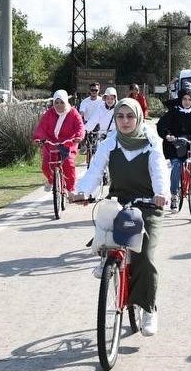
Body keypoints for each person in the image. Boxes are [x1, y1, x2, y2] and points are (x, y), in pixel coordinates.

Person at [71, 99, 170, 336]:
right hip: (120, 201)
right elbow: (95, 170)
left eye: (130, 116)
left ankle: (148, 308)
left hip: (148, 204)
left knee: (144, 255)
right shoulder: (110, 142)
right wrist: (84, 191)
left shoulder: (151, 142)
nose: (125, 121)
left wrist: (161, 194)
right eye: (120, 116)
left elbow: (159, 170)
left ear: (139, 118)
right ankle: (107, 259)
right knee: (105, 223)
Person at [156, 89, 191, 210]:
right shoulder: (173, 111)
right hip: (175, 144)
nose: (187, 102)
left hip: (190, 143)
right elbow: (162, 125)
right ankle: (174, 196)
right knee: (176, 165)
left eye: (189, 99)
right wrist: (167, 135)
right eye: (184, 99)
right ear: (180, 99)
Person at [33, 90, 85, 194]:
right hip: (51, 143)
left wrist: (78, 137)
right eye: (56, 102)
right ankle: (52, 180)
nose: (59, 105)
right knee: (46, 166)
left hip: (68, 142)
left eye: (62, 102)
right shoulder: (49, 113)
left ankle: (70, 189)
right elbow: (41, 127)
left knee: (68, 164)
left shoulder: (73, 113)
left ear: (66, 101)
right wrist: (39, 138)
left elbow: (80, 126)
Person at [78, 82, 107, 165]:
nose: (94, 92)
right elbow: (81, 113)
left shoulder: (102, 101)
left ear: (99, 90)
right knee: (84, 132)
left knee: (100, 140)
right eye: (92, 90)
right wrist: (80, 119)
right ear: (89, 91)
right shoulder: (85, 102)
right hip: (88, 123)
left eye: (96, 90)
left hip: (99, 124)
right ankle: (83, 145)